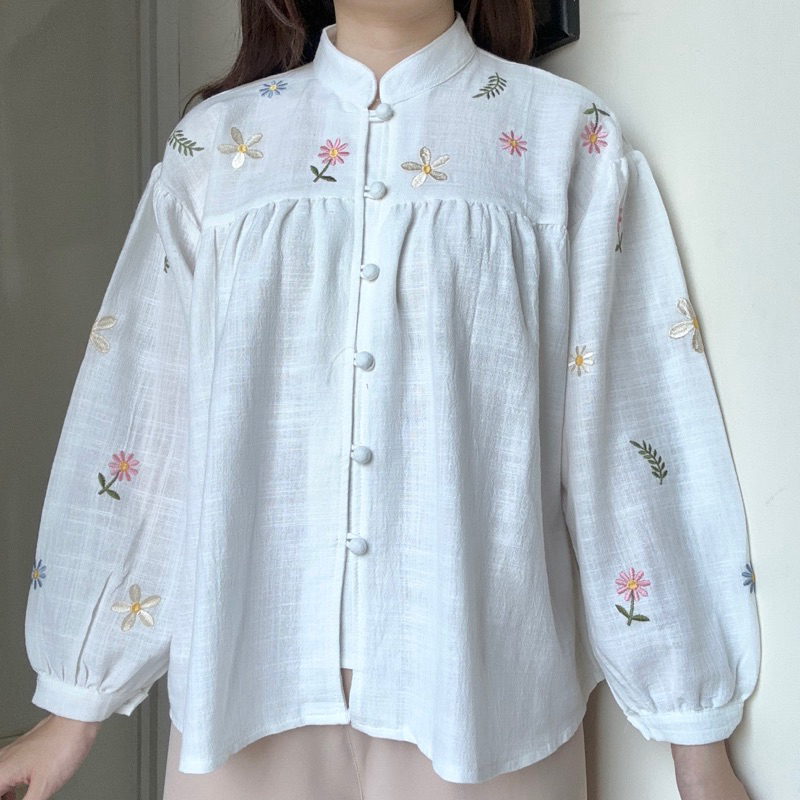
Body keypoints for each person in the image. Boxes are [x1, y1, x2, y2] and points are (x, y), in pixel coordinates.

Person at [1, 1, 761, 798]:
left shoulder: (564, 139)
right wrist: (74, 704)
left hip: (484, 706)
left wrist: (696, 741)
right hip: (246, 699)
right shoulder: (218, 149)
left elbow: (630, 430)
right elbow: (147, 417)